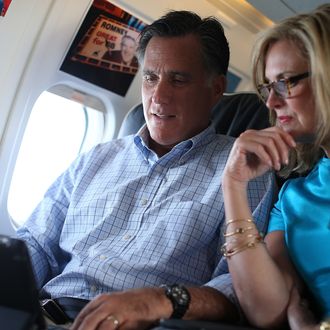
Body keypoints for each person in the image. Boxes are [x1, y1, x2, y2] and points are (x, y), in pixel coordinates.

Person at [17, 10, 275, 330]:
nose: (159, 97)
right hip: (40, 312)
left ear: (216, 89)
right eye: (151, 77)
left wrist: (158, 300)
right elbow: (36, 242)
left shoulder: (245, 170)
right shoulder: (96, 158)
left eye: (178, 80)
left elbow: (237, 288)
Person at [221, 4, 330, 329]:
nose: (271, 102)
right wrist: (233, 185)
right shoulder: (294, 198)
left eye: (286, 82)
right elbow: (267, 311)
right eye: (268, 86)